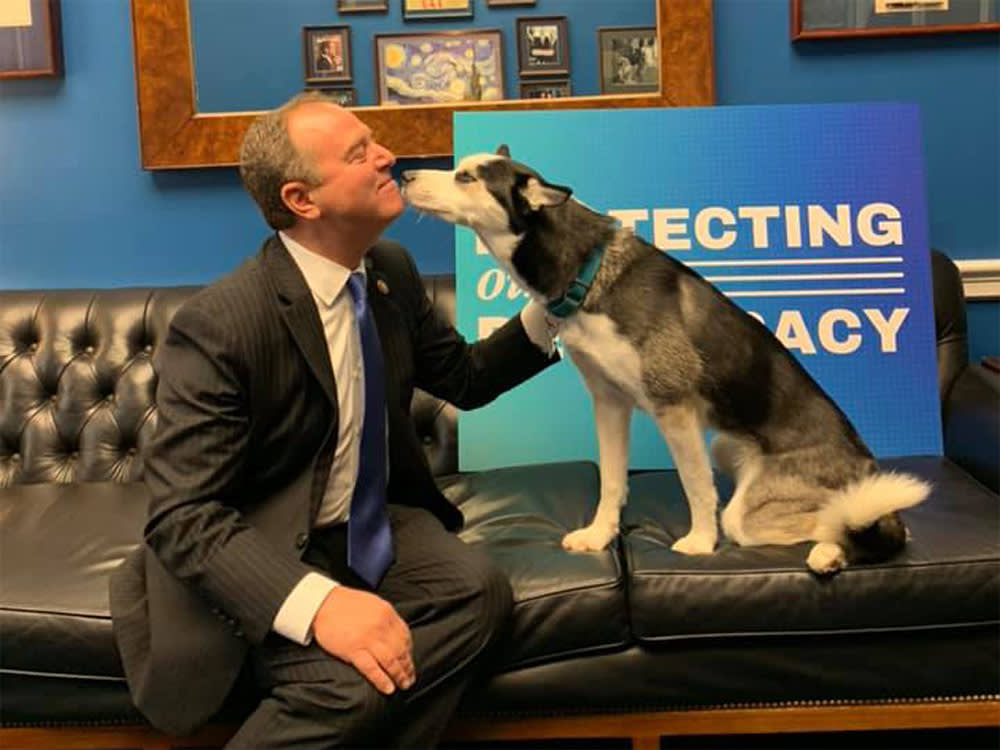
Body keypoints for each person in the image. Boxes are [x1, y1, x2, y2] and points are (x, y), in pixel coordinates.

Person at [109, 91, 560, 748]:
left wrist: (557, 299)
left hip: (366, 525)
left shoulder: (389, 272)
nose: (389, 157)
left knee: (479, 594)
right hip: (264, 538)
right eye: (360, 154)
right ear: (302, 200)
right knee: (347, 684)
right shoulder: (222, 324)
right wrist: (321, 608)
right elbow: (184, 517)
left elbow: (464, 378)